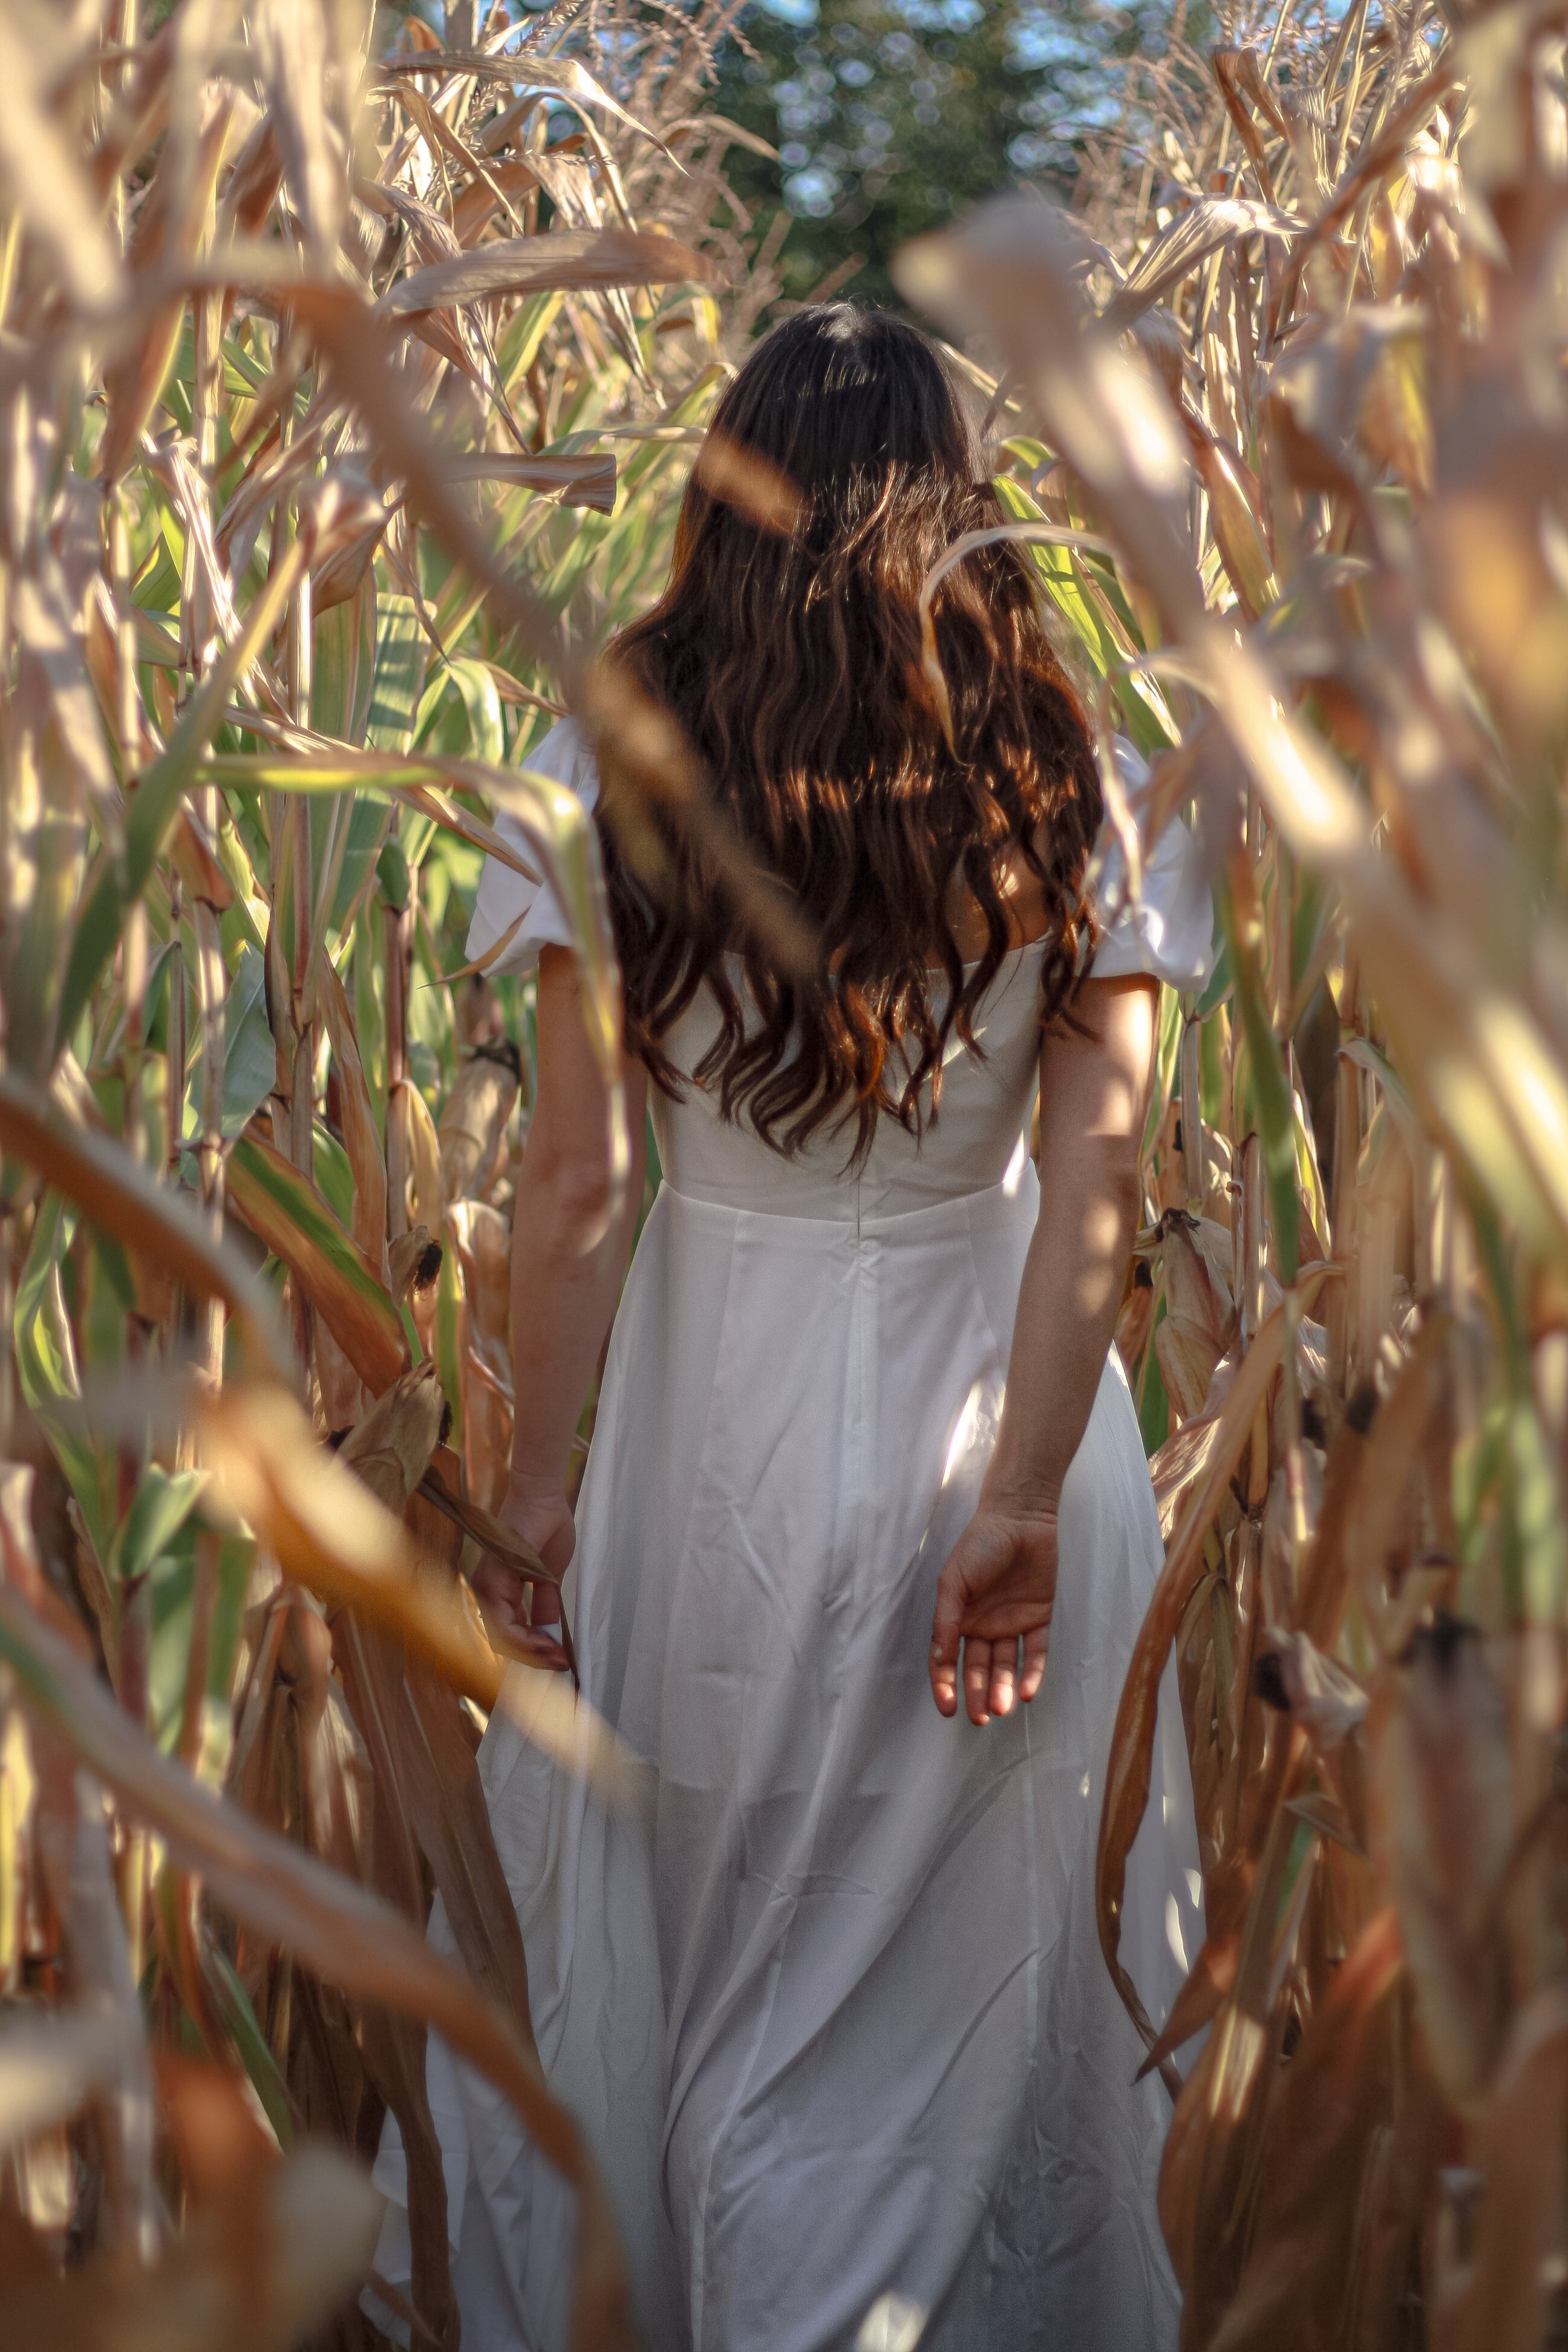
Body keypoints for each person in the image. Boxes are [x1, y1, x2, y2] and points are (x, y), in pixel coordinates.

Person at [371, 304, 1212, 2352]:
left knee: (724, 1998)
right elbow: (1098, 1181)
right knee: (963, 2022)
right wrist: (1015, 1501)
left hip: (706, 1440)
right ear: (963, 506)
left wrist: (537, 1506)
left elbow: (573, 1194)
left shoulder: (598, 753)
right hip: (1001, 1422)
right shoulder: (1067, 768)